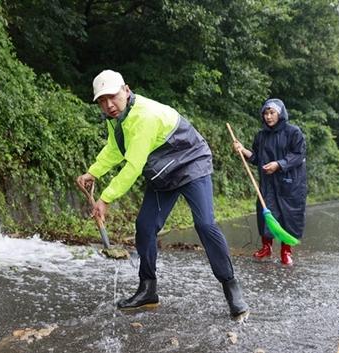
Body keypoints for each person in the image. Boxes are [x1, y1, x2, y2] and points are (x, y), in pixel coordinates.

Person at [77, 69, 249, 319]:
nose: (109, 105)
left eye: (112, 97)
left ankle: (231, 286)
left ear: (126, 90)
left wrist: (105, 198)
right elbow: (115, 149)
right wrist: (93, 172)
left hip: (191, 164)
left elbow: (134, 165)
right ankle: (148, 289)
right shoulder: (117, 119)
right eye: (102, 101)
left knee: (205, 224)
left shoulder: (144, 116)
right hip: (163, 173)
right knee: (145, 226)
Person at [232, 98, 307, 266]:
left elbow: (298, 154)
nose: (268, 116)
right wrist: (242, 150)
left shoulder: (293, 132)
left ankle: (286, 251)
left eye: (272, 112)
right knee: (266, 213)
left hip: (290, 183)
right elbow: (257, 159)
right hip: (268, 183)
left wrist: (279, 164)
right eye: (265, 113)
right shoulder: (261, 136)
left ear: (280, 114)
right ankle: (267, 247)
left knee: (288, 216)